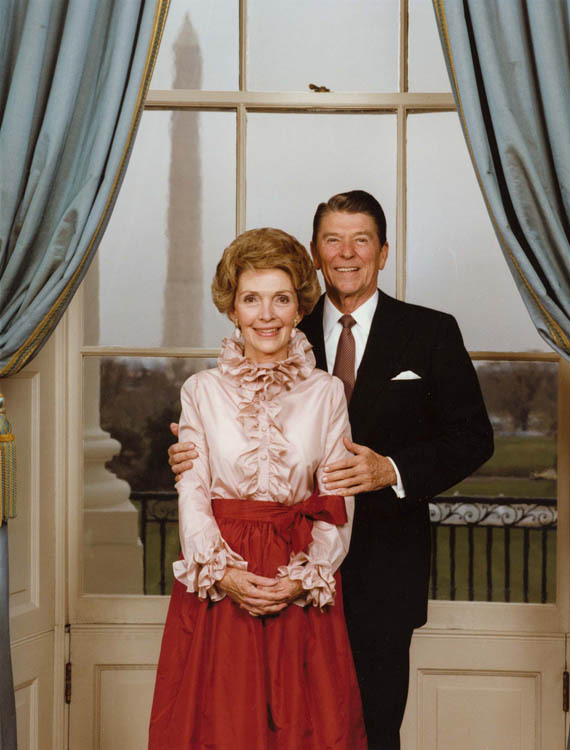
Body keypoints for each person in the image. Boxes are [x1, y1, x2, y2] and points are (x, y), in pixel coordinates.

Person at [169, 191, 494, 750]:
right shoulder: (281, 327)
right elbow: (224, 436)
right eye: (332, 240)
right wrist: (181, 452)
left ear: (384, 251)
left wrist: (390, 468)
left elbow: (474, 438)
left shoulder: (430, 331)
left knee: (364, 726)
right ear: (315, 255)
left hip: (377, 571)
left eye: (361, 239)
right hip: (259, 566)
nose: (346, 252)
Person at [149, 227, 367, 749]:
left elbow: (337, 498)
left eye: (281, 299)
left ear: (299, 309)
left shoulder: (327, 393)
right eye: (251, 299)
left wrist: (306, 577)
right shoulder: (200, 390)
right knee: (217, 728)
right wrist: (221, 572)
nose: (266, 315)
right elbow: (194, 492)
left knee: (308, 730)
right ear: (232, 308)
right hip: (221, 581)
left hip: (296, 579)